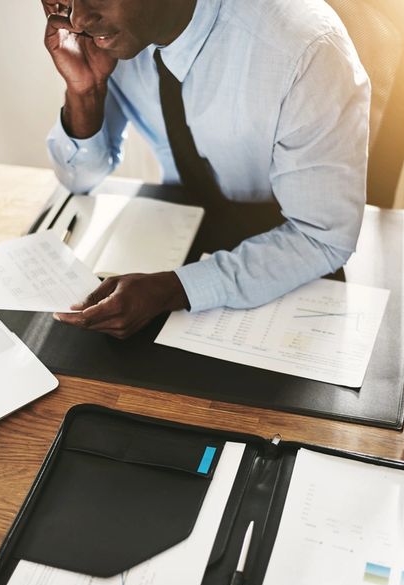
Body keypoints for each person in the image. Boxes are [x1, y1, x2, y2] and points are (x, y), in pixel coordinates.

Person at [42, 0, 370, 338]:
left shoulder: (305, 47)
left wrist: (174, 289)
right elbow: (79, 179)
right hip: (176, 235)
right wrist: (85, 92)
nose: (79, 18)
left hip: (287, 257)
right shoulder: (109, 38)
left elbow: (322, 238)